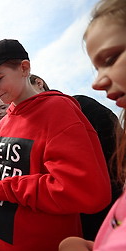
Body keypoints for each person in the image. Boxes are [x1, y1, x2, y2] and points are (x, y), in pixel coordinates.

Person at [0, 39, 111, 251]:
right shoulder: (5, 121)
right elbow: (16, 174)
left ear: (24, 68)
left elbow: (83, 191)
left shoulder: (59, 110)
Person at [56, 0, 126, 251]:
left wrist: (70, 248)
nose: (97, 82)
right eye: (96, 68)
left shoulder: (78, 107)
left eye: (110, 60)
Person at [30, 74, 123, 241]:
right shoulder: (32, 124)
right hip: (63, 213)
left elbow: (113, 150)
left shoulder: (81, 105)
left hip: (100, 207)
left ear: (39, 83)